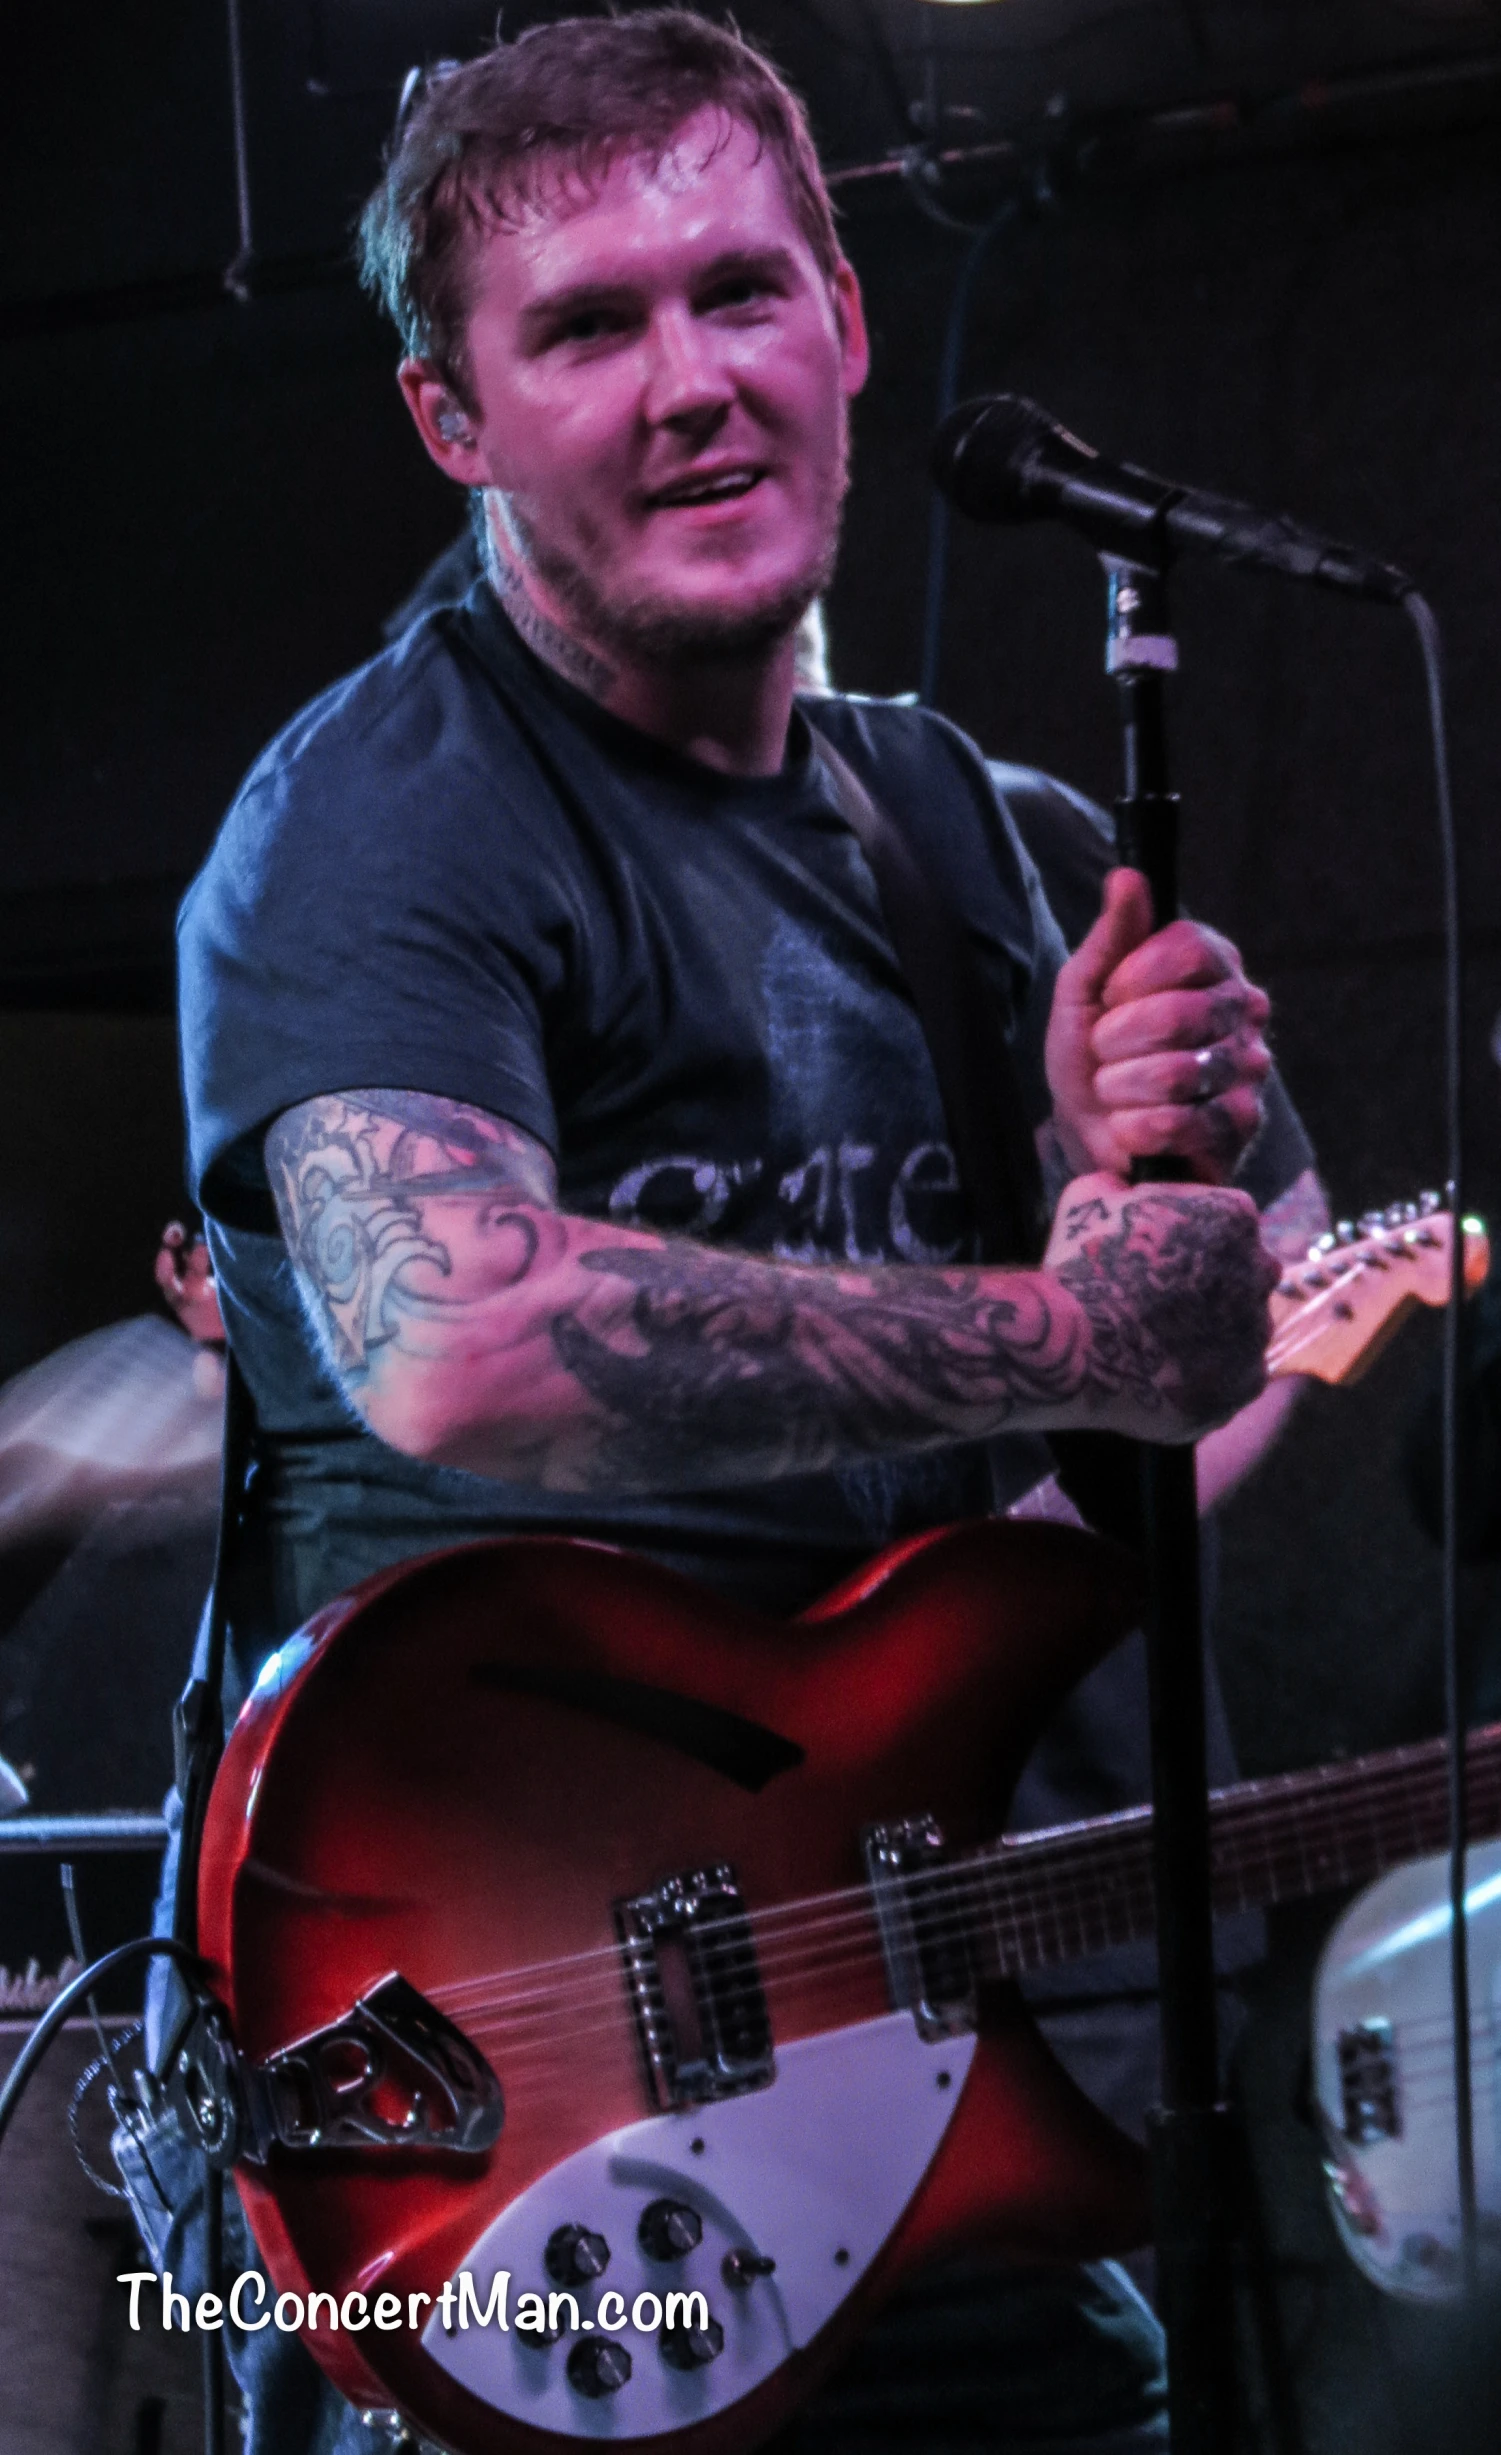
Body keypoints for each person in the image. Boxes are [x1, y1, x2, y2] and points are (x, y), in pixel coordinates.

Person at [160, 15, 1286, 2452]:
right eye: (584, 328)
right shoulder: (384, 824)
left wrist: (1148, 1231)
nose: (692, 384)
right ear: (450, 420)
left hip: (910, 2057)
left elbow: (1209, 1343)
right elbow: (455, 1341)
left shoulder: (965, 834)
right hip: (498, 2077)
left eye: (740, 293)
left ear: (850, 326)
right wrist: (1064, 1315)